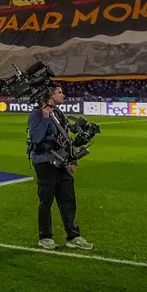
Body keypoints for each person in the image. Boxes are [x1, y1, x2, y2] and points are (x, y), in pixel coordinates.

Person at [26, 84, 94, 251]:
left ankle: (73, 236)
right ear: (50, 95)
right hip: (44, 161)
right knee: (46, 201)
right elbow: (36, 137)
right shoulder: (36, 114)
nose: (63, 95)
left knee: (68, 200)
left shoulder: (59, 113)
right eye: (59, 92)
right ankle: (45, 237)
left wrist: (73, 161)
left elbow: (66, 138)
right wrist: (44, 116)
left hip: (62, 162)